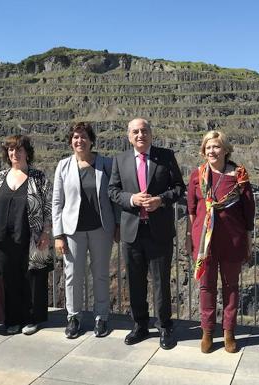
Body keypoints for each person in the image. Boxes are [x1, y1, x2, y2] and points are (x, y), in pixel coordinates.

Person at [108, 118, 185, 350]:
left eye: (144, 131)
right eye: (135, 132)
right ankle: (140, 325)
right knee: (135, 280)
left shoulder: (165, 156)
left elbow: (179, 188)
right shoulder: (120, 160)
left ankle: (164, 326)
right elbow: (113, 191)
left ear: (151, 134)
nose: (140, 135)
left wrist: (160, 200)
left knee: (161, 281)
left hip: (159, 230)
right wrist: (131, 199)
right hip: (132, 231)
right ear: (129, 136)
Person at [185, 130, 254, 353]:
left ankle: (229, 332)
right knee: (206, 286)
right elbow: (192, 209)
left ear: (225, 149)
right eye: (208, 147)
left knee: (231, 287)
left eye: (216, 146)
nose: (212, 151)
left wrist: (248, 239)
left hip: (232, 238)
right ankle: (207, 331)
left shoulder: (239, 175)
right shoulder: (197, 175)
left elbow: (248, 210)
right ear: (203, 151)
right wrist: (191, 237)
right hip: (204, 240)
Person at [52, 122, 120, 338]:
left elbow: (115, 197)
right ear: (71, 141)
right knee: (73, 275)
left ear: (91, 140)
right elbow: (57, 202)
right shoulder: (63, 166)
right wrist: (58, 234)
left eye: (83, 137)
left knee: (100, 274)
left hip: (101, 228)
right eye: (75, 137)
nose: (79, 141)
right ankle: (74, 317)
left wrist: (117, 225)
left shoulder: (106, 164)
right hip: (73, 231)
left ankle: (101, 318)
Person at [0, 135, 52, 335]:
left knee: (32, 278)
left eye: (19, 149)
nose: (15, 153)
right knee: (9, 279)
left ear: (27, 153)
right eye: (11, 150)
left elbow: (48, 207)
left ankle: (32, 318)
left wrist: (46, 231)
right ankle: (12, 319)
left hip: (31, 237)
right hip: (1, 238)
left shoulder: (38, 177)